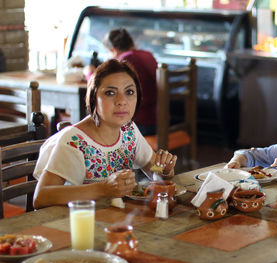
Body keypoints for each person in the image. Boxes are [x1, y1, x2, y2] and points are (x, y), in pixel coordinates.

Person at [33, 59, 177, 209]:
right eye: (110, 93)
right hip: (77, 223)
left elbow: (151, 167)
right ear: (94, 98)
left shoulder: (128, 130)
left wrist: (164, 170)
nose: (122, 101)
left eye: (129, 92)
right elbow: (41, 197)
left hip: (116, 220)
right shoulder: (74, 141)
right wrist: (103, 189)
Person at [86, 28, 158, 135]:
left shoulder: (124, 61)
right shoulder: (147, 54)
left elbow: (97, 87)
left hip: (140, 124)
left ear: (114, 50)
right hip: (157, 119)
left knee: (99, 113)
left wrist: (89, 73)